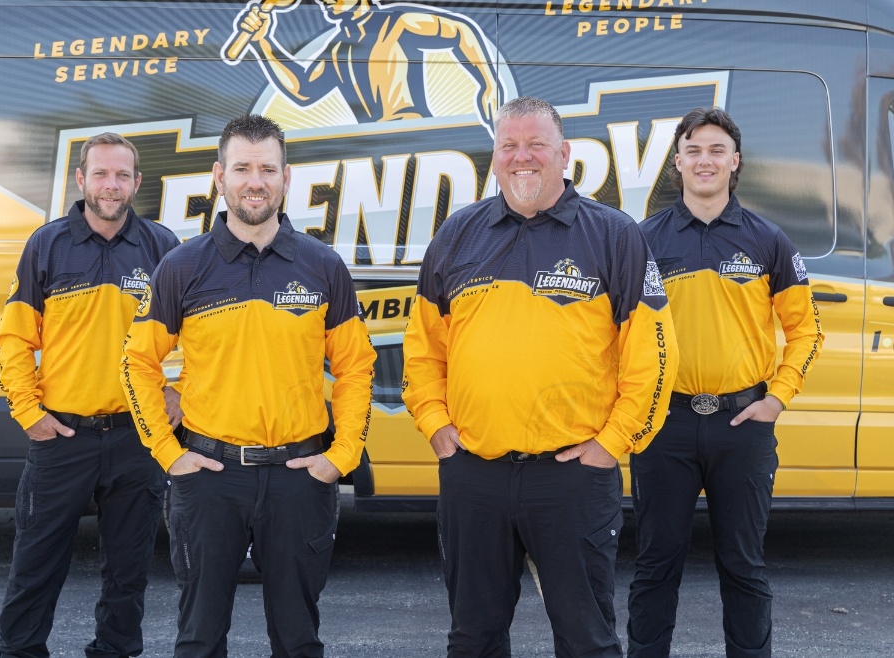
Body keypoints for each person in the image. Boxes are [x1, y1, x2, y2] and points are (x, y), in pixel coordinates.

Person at [401, 96, 679, 658]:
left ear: (564, 153)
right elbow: (423, 349)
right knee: (473, 638)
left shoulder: (613, 235)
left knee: (586, 640)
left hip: (573, 477)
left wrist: (613, 444)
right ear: (495, 155)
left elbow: (654, 355)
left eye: (536, 145)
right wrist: (435, 426)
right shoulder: (457, 235)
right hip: (473, 474)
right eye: (509, 145)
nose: (521, 157)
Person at [120, 114, 376, 658]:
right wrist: (167, 452)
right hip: (208, 477)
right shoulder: (182, 266)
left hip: (300, 477)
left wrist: (343, 455)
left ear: (286, 177)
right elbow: (137, 362)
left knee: (298, 640)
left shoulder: (323, 266)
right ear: (219, 177)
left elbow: (355, 368)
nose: (254, 182)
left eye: (267, 169)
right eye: (241, 168)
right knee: (198, 639)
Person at [627, 107, 824, 658]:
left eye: (717, 150)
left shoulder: (768, 240)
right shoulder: (643, 240)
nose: (705, 160)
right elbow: (617, 333)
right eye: (693, 150)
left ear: (736, 161)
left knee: (743, 566)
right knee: (655, 566)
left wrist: (777, 399)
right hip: (664, 426)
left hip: (743, 425)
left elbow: (806, 331)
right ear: (677, 163)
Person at [0, 133, 181, 658]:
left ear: (137, 183)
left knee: (128, 571)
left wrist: (181, 393)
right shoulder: (47, 245)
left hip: (138, 438)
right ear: (81, 179)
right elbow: (14, 338)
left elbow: (204, 334)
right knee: (35, 564)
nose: (110, 185)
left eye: (121, 175)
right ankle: (19, 651)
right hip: (62, 436)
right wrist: (28, 412)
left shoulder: (163, 247)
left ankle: (115, 651)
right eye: (100, 174)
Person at [225, 0, 503, 134]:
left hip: (414, 136)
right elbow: (303, 89)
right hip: (373, 147)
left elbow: (460, 31)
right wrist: (262, 42)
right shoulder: (338, 48)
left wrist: (489, 83)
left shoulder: (397, 23)